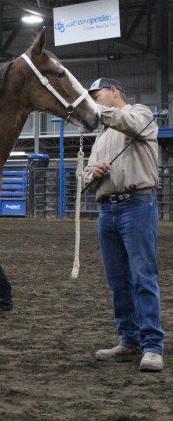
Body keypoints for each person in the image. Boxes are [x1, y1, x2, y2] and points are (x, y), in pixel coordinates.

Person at [83, 77, 164, 372]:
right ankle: (130, 338)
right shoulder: (101, 138)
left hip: (138, 205)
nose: (93, 99)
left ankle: (152, 345)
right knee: (119, 280)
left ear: (114, 91)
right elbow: (84, 178)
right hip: (108, 210)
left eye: (96, 94)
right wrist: (95, 173)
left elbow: (126, 122)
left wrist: (92, 110)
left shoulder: (141, 113)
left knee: (143, 276)